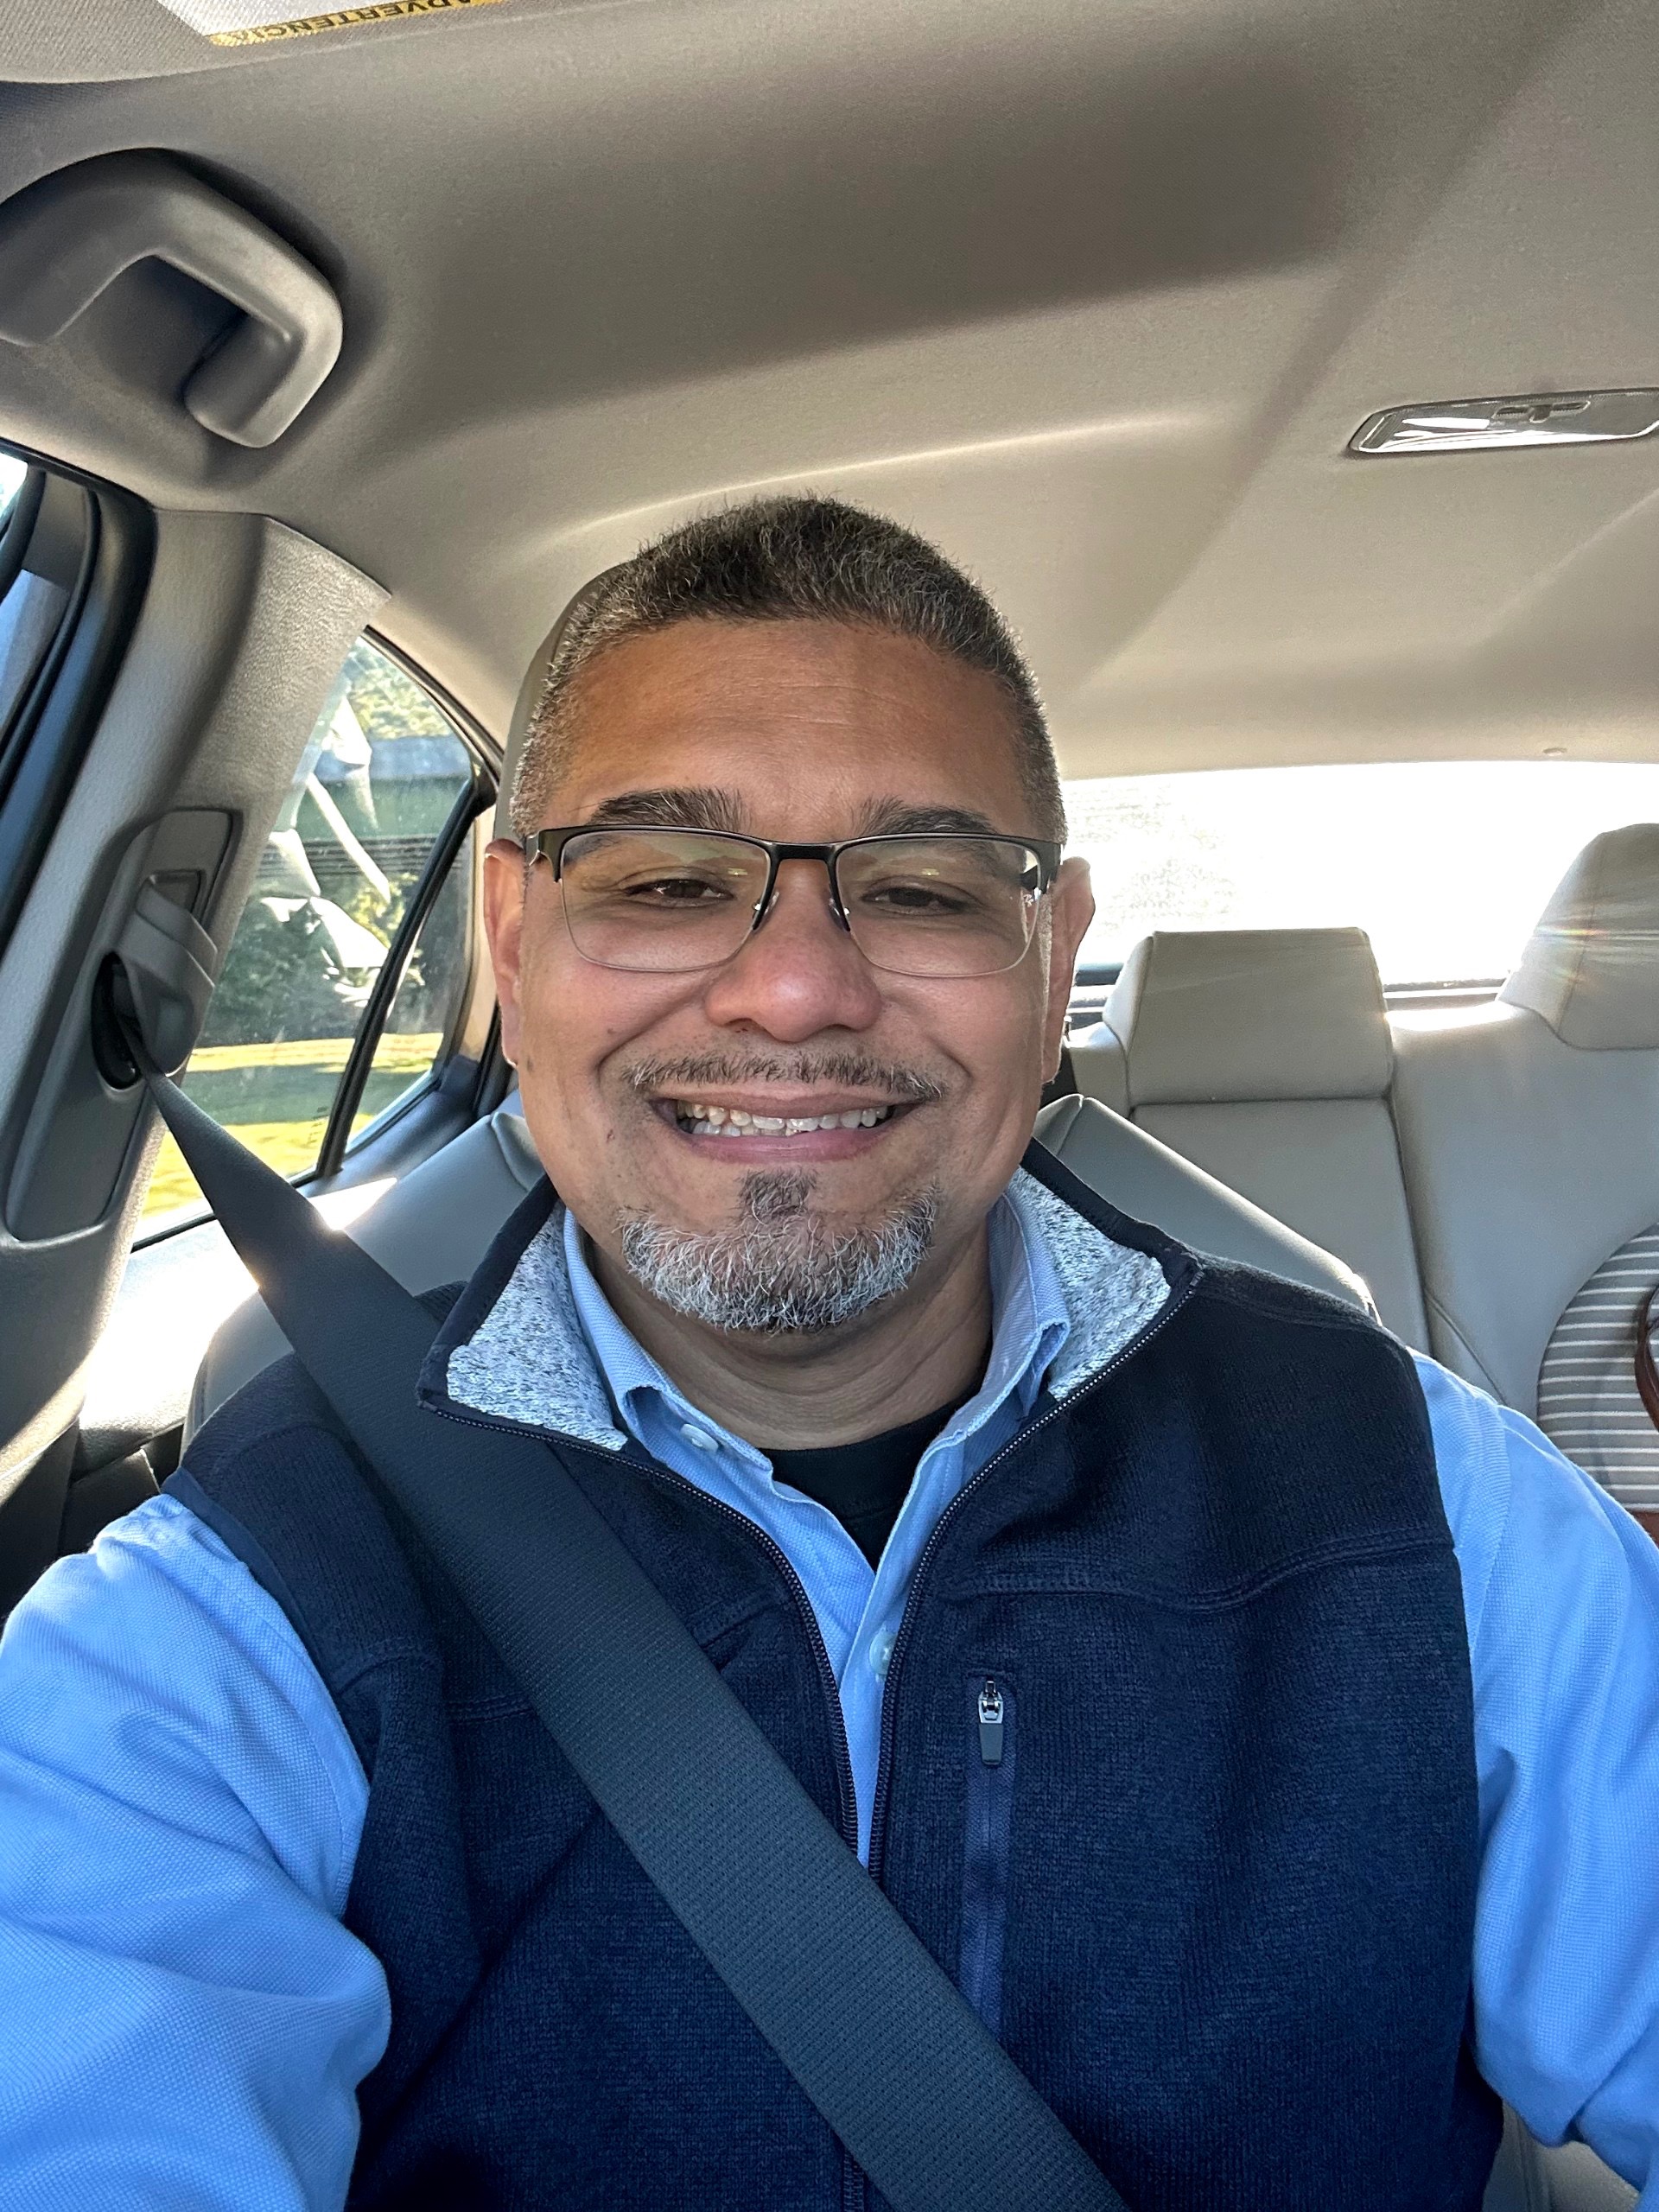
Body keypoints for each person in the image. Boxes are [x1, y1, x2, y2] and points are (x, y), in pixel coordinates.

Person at [0, 495, 1656, 2210]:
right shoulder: (233, 1619)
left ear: (1052, 959)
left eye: (923, 887)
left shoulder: (1424, 1508)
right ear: (509, 939)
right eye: (665, 879)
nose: (794, 992)